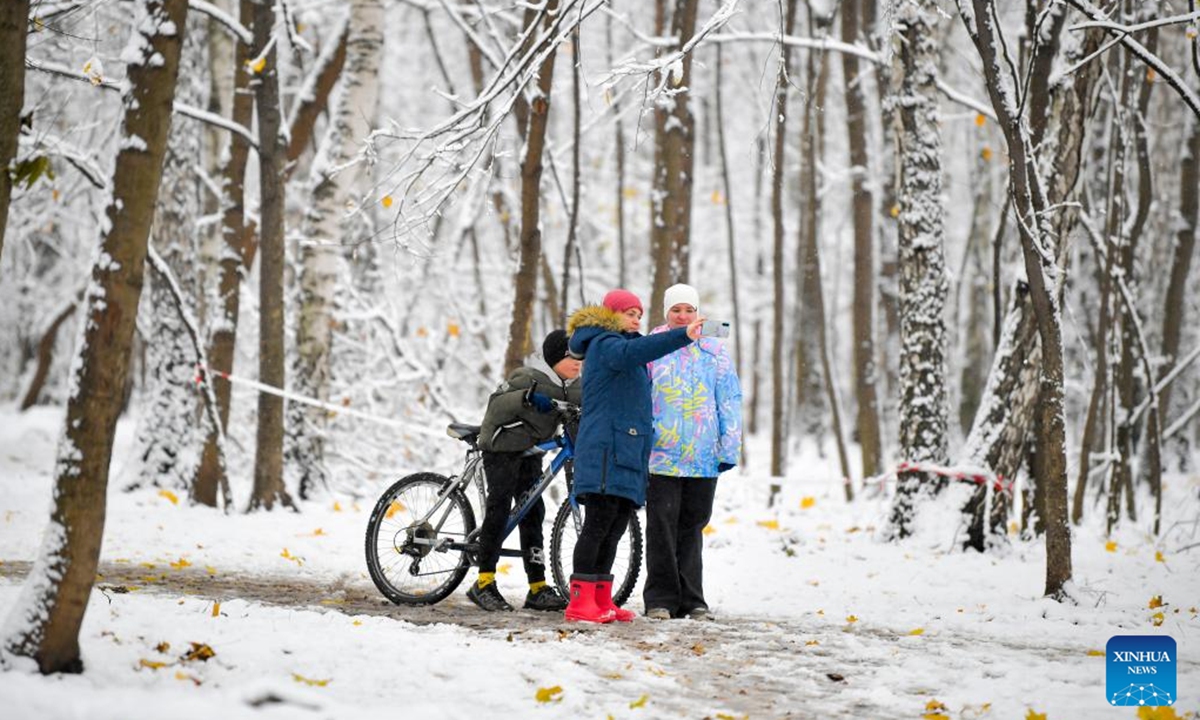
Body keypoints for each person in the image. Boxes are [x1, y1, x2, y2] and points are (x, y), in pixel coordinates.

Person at [563, 289, 705, 623]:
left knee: (614, 527)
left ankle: (601, 599)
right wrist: (682, 335)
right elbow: (639, 350)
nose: (636, 319)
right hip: (604, 450)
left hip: (626, 450)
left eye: (639, 314)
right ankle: (580, 602)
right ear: (611, 315)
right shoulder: (605, 344)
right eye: (629, 313)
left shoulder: (622, 349)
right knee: (598, 525)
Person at [642, 284, 742, 621]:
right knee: (660, 527)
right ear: (666, 313)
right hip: (661, 455)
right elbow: (640, 397)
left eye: (688, 310)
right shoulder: (652, 348)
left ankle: (693, 599)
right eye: (676, 310)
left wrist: (729, 446)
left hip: (703, 457)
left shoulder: (714, 350)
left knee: (692, 527)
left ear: (698, 313)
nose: (682, 316)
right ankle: (660, 599)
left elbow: (729, 398)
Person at [467, 329, 582, 612]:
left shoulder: (576, 386)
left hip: (531, 452)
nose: (577, 362)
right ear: (555, 359)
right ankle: (483, 582)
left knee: (533, 512)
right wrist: (526, 398)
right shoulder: (528, 377)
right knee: (500, 505)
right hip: (502, 447)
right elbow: (496, 406)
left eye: (580, 356)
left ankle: (537, 588)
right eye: (571, 356)